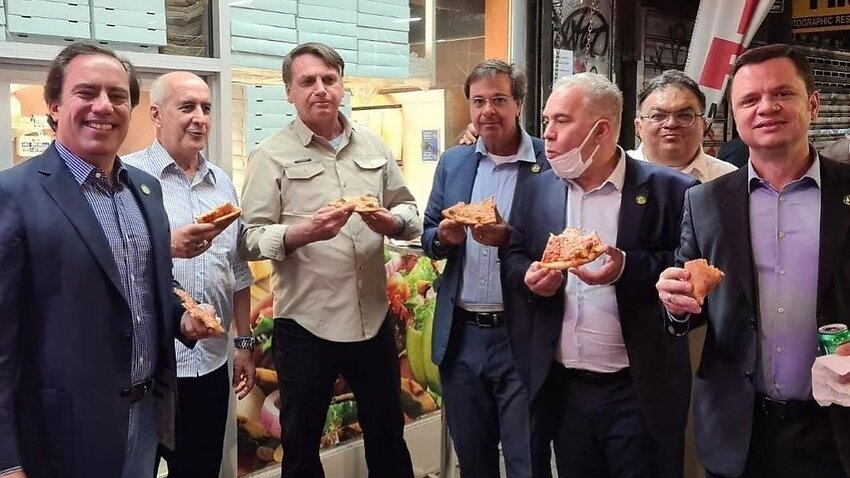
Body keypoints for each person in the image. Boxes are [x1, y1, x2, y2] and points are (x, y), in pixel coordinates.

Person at [0, 42, 219, 478]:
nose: (104, 106)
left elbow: (148, 288)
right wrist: (8, 459)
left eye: (117, 96)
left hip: (144, 419)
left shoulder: (144, 189)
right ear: (54, 105)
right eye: (87, 92)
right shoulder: (14, 195)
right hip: (59, 431)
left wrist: (182, 320)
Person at [656, 43, 850, 478]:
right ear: (736, 116)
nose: (767, 107)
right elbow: (687, 306)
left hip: (835, 430)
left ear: (813, 104)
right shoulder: (705, 202)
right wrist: (674, 304)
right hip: (739, 430)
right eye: (749, 99)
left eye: (782, 93)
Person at [239, 42, 421, 478]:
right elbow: (247, 239)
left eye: (329, 79)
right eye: (307, 81)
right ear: (289, 92)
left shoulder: (373, 145)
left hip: (372, 321)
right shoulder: (271, 156)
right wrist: (302, 233)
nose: (320, 89)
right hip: (306, 326)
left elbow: (411, 211)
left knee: (387, 435)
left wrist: (392, 222)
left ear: (342, 86)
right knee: (300, 445)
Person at [501, 72, 696, 478]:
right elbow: (514, 253)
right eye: (546, 120)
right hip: (565, 389)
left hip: (638, 392)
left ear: (601, 130)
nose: (547, 135)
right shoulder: (537, 186)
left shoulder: (672, 191)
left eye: (561, 121)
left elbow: (687, 273)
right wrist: (531, 278)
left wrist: (626, 267)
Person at [123, 71, 255, 478]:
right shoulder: (127, 178)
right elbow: (112, 263)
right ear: (156, 114)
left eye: (206, 108)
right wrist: (166, 244)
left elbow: (236, 268)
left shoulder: (222, 184)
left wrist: (244, 342)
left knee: (199, 470)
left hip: (210, 365)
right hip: (150, 369)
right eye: (187, 107)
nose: (199, 117)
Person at [421, 59, 546, 478]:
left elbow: (565, 241)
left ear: (519, 103)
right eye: (478, 101)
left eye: (498, 100)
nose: (487, 110)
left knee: (526, 460)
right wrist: (444, 238)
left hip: (522, 334)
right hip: (462, 338)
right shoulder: (454, 163)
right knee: (473, 461)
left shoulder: (549, 163)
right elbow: (428, 235)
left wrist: (508, 236)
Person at [630, 70, 738, 181]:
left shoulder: (729, 178)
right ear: (639, 127)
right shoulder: (618, 172)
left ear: (704, 125)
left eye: (684, 116)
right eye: (658, 116)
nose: (671, 124)